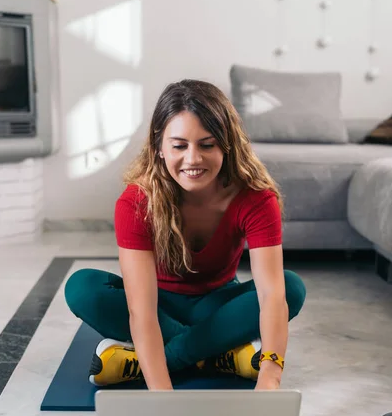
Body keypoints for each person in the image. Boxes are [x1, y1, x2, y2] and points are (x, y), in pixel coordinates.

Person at [65, 79, 306, 391]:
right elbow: (141, 309)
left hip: (216, 305)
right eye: (179, 146)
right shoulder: (136, 202)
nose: (193, 159)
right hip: (159, 307)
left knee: (290, 288)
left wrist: (270, 378)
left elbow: (272, 296)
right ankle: (220, 353)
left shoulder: (256, 199)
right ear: (159, 148)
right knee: (82, 287)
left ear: (227, 144)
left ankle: (140, 360)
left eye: (207, 145)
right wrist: (161, 392)